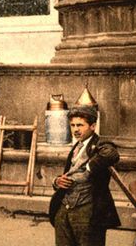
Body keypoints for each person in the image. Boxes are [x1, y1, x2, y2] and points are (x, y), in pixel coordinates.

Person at [50, 105, 121, 246]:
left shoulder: (100, 144)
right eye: (73, 125)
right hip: (64, 211)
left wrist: (88, 169)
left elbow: (112, 154)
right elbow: (70, 172)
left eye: (80, 125)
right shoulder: (77, 146)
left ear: (93, 126)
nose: (76, 129)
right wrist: (57, 181)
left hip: (88, 213)